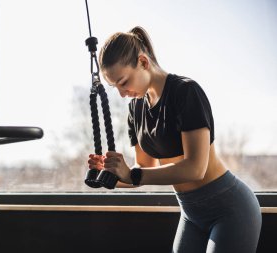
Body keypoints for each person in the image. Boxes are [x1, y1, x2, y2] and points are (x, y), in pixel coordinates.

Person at [87, 26, 262, 253]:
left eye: (123, 82)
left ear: (143, 62)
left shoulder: (186, 92)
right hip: (191, 213)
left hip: (230, 208)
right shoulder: (136, 108)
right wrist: (110, 175)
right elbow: (143, 170)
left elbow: (195, 168)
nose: (121, 93)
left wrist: (132, 174)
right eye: (114, 87)